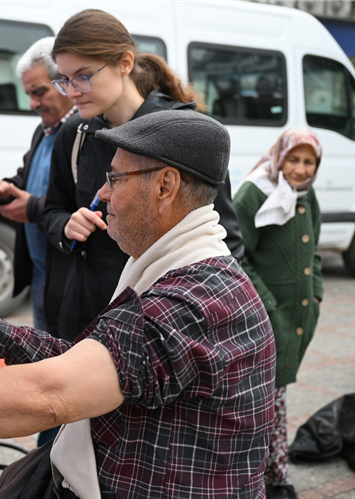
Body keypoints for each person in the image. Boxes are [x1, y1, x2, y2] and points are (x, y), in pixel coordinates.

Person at [0, 109, 276, 499]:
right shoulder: (190, 269)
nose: (101, 195)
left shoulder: (188, 303)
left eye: (115, 179)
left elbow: (50, 393)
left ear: (165, 186)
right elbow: (88, 360)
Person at [43, 9, 245, 342]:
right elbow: (52, 209)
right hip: (84, 318)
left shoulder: (182, 132)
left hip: (158, 325)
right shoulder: (74, 132)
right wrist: (65, 225)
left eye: (82, 76)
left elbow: (226, 241)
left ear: (125, 62)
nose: (72, 91)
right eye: (64, 80)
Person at [0, 37, 74, 446]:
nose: (34, 102)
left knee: (62, 379)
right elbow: (30, 181)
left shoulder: (82, 134)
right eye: (30, 94)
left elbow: (74, 210)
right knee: (45, 371)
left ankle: (52, 461)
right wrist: (7, 188)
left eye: (40, 91)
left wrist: (32, 207)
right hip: (41, 276)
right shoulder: (45, 132)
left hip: (68, 280)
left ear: (66, 82)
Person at [233, 129, 323, 499]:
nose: (300, 170)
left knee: (274, 399)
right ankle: (274, 478)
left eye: (309, 162)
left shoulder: (307, 196)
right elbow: (234, 252)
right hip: (265, 317)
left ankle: (267, 474)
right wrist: (266, 304)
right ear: (279, 157)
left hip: (295, 316)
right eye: (293, 160)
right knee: (266, 403)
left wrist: (315, 291)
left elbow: (314, 249)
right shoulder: (255, 192)